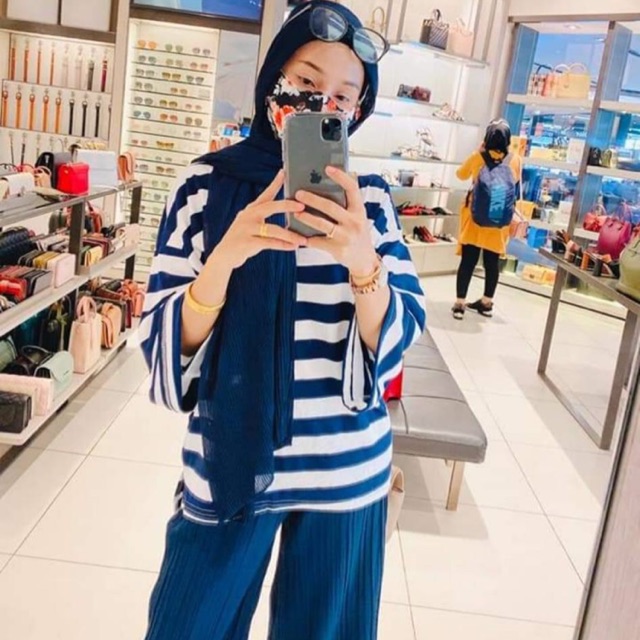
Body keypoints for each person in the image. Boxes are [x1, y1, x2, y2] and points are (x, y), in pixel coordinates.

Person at [138, 2, 426, 639]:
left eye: (343, 95)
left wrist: (362, 261)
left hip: (346, 468)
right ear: (273, 79)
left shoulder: (371, 203)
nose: (322, 103)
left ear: (358, 110)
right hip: (229, 463)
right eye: (306, 81)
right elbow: (160, 345)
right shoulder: (204, 189)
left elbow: (400, 337)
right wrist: (225, 258)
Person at [452, 119, 520, 320]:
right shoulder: (514, 159)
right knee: (492, 263)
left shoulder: (478, 157)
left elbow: (460, 174)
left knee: (468, 261)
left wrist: (478, 152)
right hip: (498, 220)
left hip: (475, 218)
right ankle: (486, 303)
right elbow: (515, 182)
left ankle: (460, 304)